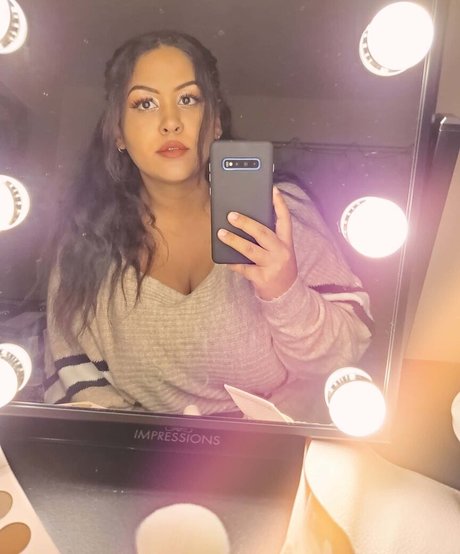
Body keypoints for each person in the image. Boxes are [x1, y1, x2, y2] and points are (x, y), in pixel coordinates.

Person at [43, 30, 372, 416]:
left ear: (215, 122)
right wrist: (150, 445)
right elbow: (77, 383)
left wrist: (285, 292)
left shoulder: (280, 213)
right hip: (133, 450)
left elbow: (342, 360)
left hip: (274, 444)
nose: (170, 122)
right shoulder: (86, 245)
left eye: (188, 99)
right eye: (145, 103)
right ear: (118, 133)